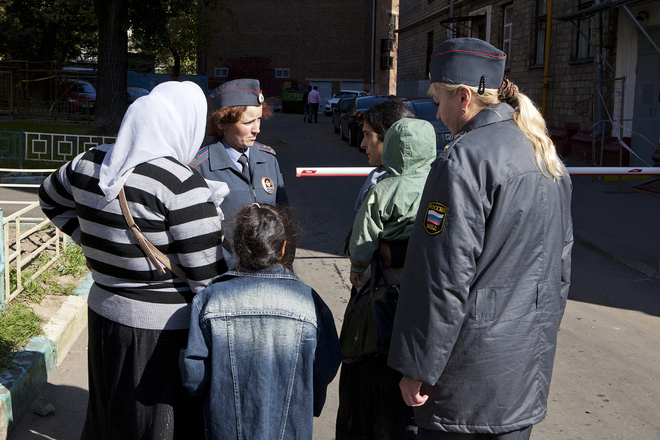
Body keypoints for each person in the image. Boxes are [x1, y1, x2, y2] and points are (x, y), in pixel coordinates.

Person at [388, 38, 574, 440]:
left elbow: (441, 278)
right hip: (523, 368)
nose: (437, 114)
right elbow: (559, 269)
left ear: (464, 97)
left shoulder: (463, 159)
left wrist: (417, 366)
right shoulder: (542, 151)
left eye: (438, 100)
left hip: (468, 380)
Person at [38, 81, 226, 439]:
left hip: (103, 313)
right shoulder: (181, 183)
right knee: (157, 425)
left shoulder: (87, 163)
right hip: (164, 333)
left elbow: (49, 198)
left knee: (110, 415)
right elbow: (208, 281)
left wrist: (89, 240)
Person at [180, 203, 343, 440]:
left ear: (238, 248)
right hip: (291, 429)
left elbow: (194, 376)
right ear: (282, 248)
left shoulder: (209, 299)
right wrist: (307, 401)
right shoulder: (310, 302)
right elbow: (326, 365)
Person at [337, 114, 436, 440]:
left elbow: (362, 238)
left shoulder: (383, 189)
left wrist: (357, 267)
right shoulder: (439, 186)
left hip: (386, 287)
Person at [190, 78, 288, 268]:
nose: (257, 129)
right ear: (222, 123)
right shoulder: (200, 166)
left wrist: (285, 268)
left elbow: (284, 220)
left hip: (269, 272)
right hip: (224, 273)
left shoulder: (268, 158)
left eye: (259, 119)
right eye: (248, 122)